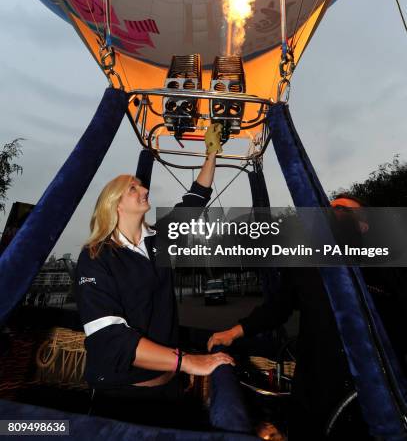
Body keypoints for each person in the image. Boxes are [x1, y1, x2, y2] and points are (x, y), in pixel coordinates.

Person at [207, 194, 406, 440]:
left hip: (376, 394)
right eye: (329, 208)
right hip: (317, 386)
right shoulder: (306, 265)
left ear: (364, 225)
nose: (333, 212)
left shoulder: (386, 269)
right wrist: (233, 332)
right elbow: (278, 308)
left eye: (343, 210)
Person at [75, 124, 234, 424]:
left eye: (141, 185)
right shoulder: (95, 258)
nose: (144, 189)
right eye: (133, 188)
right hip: (121, 401)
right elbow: (111, 339)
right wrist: (188, 362)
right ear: (115, 204)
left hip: (169, 390)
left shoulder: (159, 240)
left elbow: (195, 200)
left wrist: (212, 153)